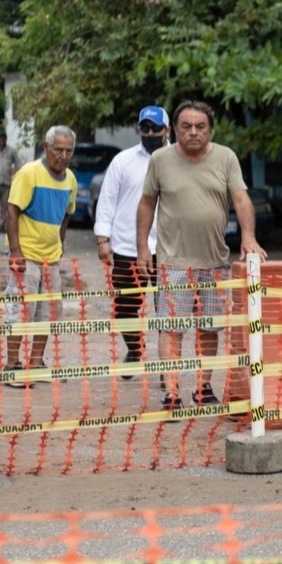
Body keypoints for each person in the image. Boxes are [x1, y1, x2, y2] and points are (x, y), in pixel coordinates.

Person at [137, 100, 267, 411]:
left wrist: (248, 236)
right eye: (186, 126)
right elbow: (146, 203)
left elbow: (241, 198)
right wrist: (142, 248)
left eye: (200, 126)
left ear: (209, 130)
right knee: (172, 328)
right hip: (172, 263)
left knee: (209, 327)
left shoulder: (226, 157)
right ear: (174, 130)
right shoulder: (160, 159)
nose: (193, 132)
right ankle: (171, 392)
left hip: (214, 261)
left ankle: (203, 386)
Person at [94, 106, 168, 376]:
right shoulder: (122, 161)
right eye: (145, 127)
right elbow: (107, 200)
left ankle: (167, 367)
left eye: (155, 128)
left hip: (167, 249)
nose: (150, 133)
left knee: (167, 311)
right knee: (125, 307)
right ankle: (135, 350)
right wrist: (103, 239)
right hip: (127, 247)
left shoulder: (178, 160)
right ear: (138, 129)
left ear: (167, 130)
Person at [2, 126, 77, 382]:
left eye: (69, 151)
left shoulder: (70, 180)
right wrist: (15, 252)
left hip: (51, 259)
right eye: (58, 150)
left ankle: (36, 363)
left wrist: (60, 243)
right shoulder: (29, 173)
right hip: (27, 256)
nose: (63, 156)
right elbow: (11, 211)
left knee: (48, 313)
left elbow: (67, 214)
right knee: (21, 311)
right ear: (46, 148)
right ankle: (12, 366)